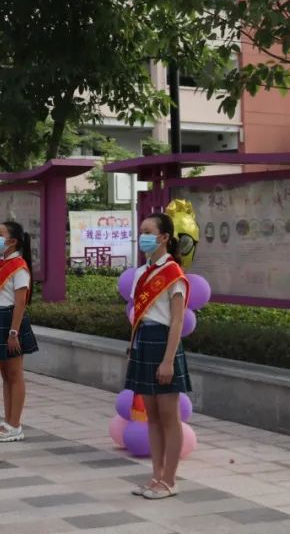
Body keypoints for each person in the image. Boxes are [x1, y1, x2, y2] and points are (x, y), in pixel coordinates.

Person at [126, 212, 192, 500]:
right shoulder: (141, 273)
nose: (143, 236)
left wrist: (168, 360)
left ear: (164, 237)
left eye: (148, 232)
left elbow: (177, 321)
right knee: (151, 416)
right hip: (144, 341)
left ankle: (170, 480)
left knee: (169, 416)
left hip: (164, 343)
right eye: (141, 231)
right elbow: (139, 314)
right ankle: (155, 476)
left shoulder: (173, 274)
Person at [0, 221, 39, 442]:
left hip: (11, 320)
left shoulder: (19, 267)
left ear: (13, 241)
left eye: (0, 234)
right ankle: (8, 421)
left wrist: (13, 332)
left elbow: (20, 302)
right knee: (6, 375)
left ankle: (15, 425)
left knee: (15, 375)